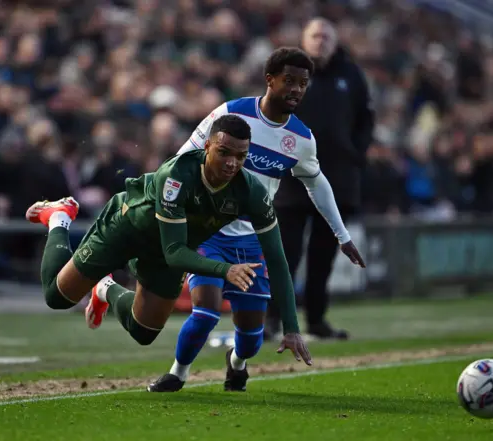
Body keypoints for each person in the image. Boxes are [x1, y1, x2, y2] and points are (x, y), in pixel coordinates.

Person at [147, 47, 365, 393]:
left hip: (252, 240)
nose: (296, 89)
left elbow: (317, 183)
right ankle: (178, 373)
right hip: (208, 231)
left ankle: (237, 364)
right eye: (289, 81)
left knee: (250, 338)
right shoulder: (231, 115)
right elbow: (182, 159)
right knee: (205, 312)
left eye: (303, 84)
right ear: (270, 80)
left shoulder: (301, 140)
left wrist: (341, 235)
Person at [25, 114, 312, 375]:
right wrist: (225, 269)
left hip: (170, 249)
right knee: (57, 296)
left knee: (144, 331)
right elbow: (175, 253)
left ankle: (105, 288)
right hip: (127, 228)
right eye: (224, 152)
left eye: (240, 155)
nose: (232, 163)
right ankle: (58, 217)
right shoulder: (177, 175)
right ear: (207, 147)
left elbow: (276, 260)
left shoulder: (252, 192)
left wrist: (291, 327)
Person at [268, 19, 375, 340]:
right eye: (315, 36)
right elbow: (270, 111)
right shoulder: (292, 73)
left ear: (335, 41)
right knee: (285, 253)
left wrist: (355, 153)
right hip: (290, 178)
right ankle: (274, 319)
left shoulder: (351, 75)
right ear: (303, 40)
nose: (320, 41)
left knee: (323, 257)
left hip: (337, 177)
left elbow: (366, 118)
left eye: (326, 36)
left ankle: (316, 319)